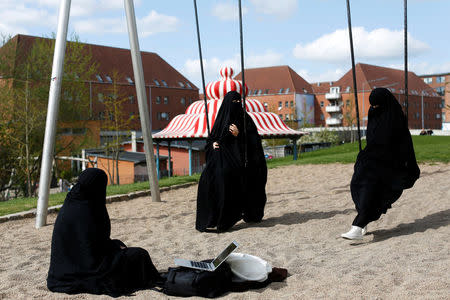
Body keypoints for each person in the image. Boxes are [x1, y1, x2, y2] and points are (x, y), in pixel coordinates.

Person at [47, 168, 161, 296]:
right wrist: (114, 247)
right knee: (140, 255)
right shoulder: (87, 210)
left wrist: (115, 245)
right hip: (88, 267)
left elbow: (90, 242)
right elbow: (93, 248)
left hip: (66, 267)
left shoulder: (73, 203)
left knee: (124, 248)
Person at [341, 88, 420, 240]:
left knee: (374, 192)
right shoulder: (373, 112)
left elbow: (403, 142)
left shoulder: (395, 116)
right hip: (370, 158)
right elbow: (372, 136)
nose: (374, 108)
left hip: (388, 162)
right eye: (372, 106)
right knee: (357, 186)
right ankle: (362, 221)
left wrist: (405, 163)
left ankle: (357, 226)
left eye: (377, 105)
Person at [196, 91, 267, 232]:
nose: (236, 105)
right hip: (219, 160)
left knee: (226, 177)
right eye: (233, 102)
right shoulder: (221, 119)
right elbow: (211, 140)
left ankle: (228, 218)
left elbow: (254, 143)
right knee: (207, 180)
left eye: (238, 102)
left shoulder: (246, 120)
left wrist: (239, 135)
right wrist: (213, 145)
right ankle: (212, 218)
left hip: (240, 162)